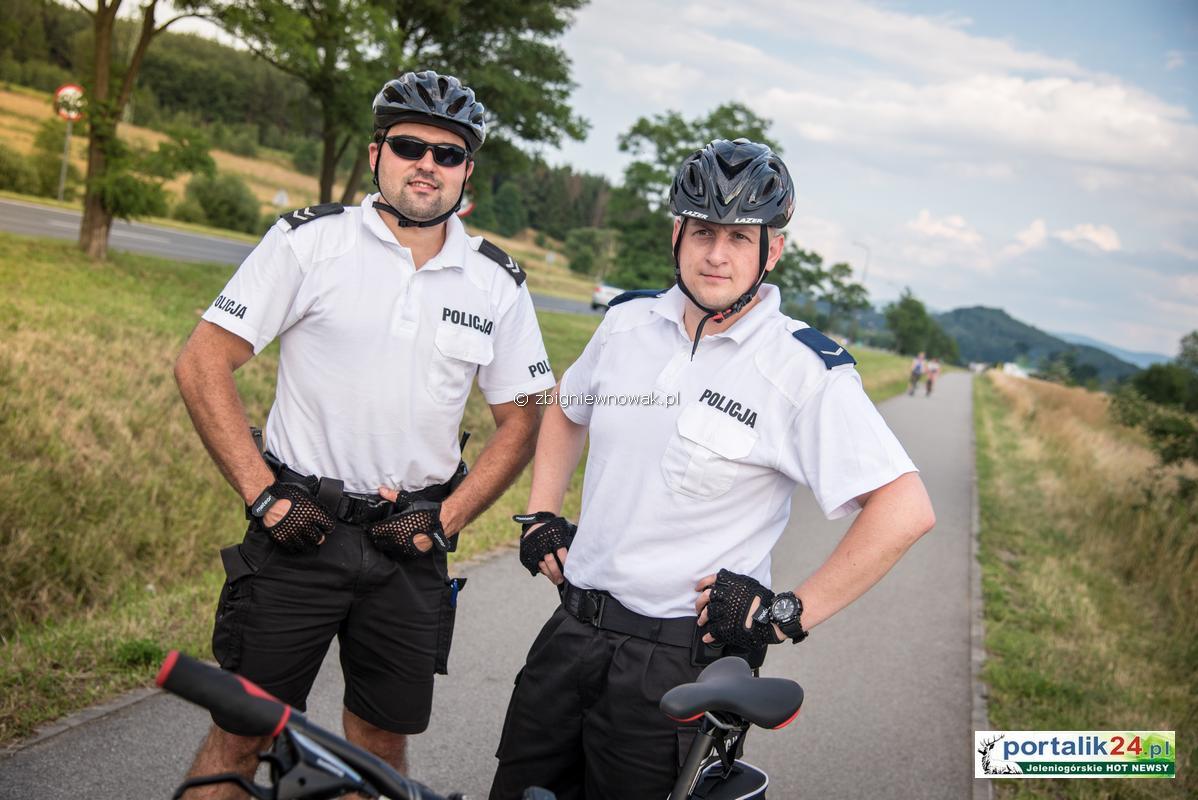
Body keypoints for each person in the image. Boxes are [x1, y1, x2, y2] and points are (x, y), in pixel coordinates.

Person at [489, 138, 936, 800]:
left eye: (738, 236)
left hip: (677, 667)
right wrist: (543, 511)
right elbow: (566, 407)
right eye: (702, 231)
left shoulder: (803, 370)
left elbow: (905, 507)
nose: (717, 253)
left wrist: (788, 611)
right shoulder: (626, 323)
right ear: (677, 234)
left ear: (772, 250)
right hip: (571, 634)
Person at [173, 70, 556, 795]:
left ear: (467, 171)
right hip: (297, 528)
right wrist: (263, 497)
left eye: (449, 154)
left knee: (376, 752)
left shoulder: (497, 282)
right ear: (377, 152)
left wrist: (448, 517)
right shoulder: (309, 243)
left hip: (408, 547)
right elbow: (201, 363)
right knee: (244, 729)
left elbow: (523, 416)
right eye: (410, 145)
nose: (428, 165)